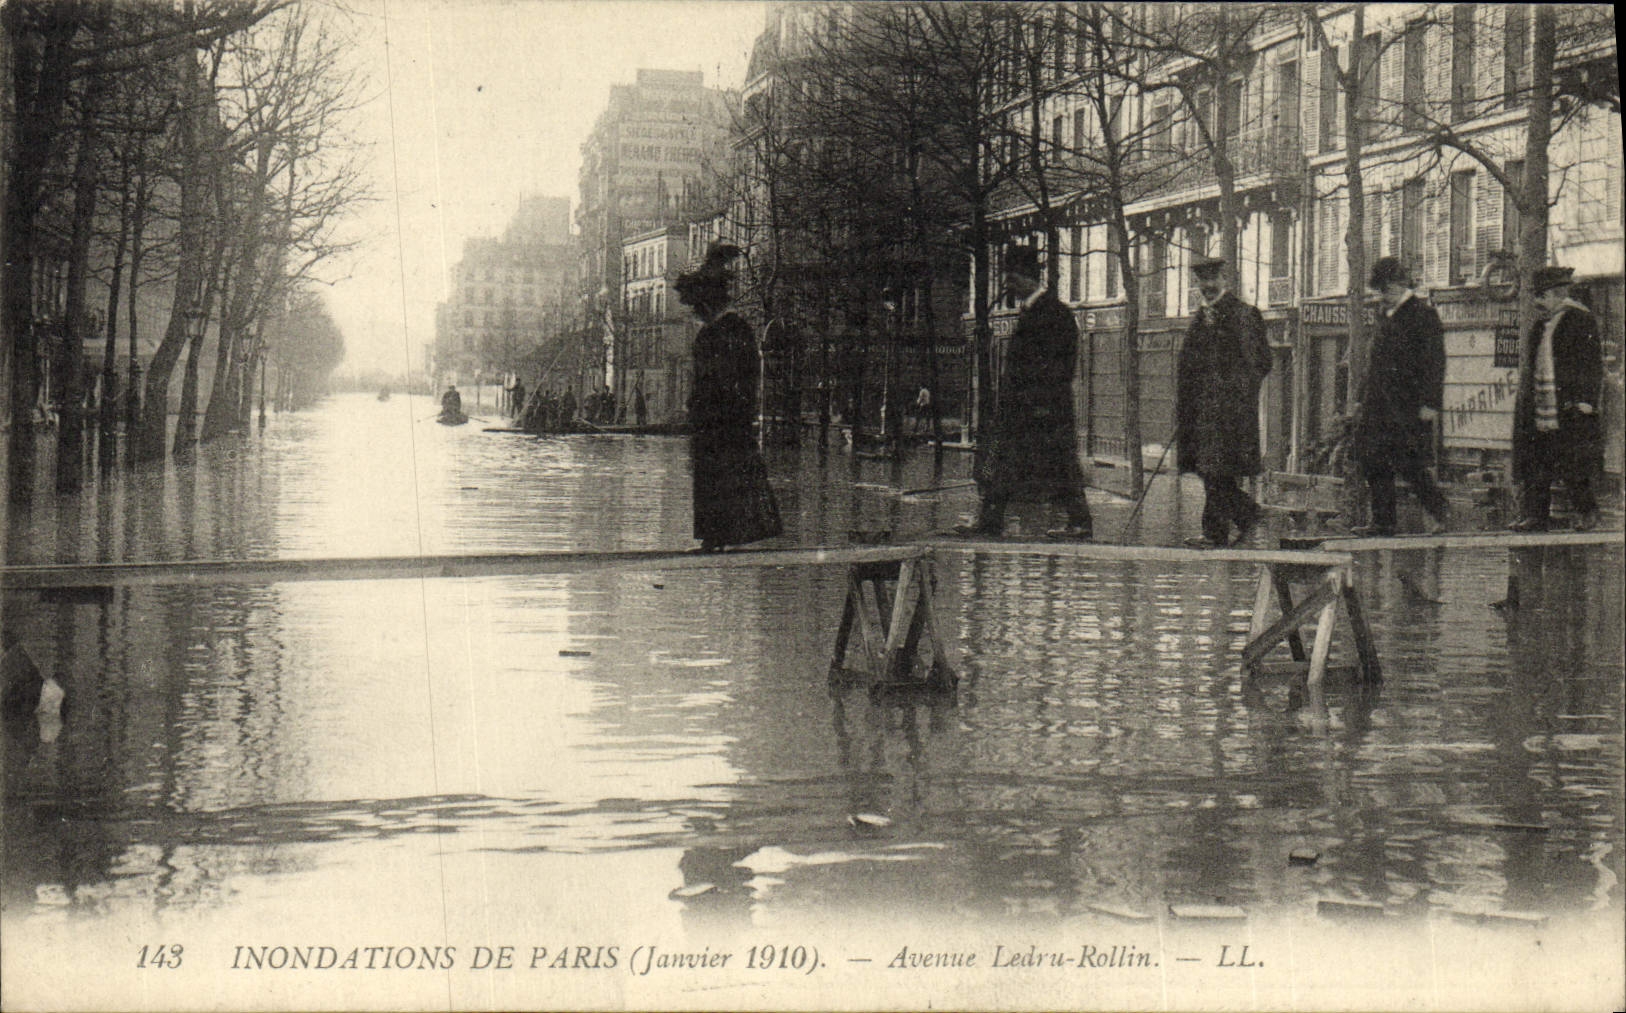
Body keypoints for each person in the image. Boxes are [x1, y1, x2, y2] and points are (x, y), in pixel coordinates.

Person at [969, 244, 1092, 539]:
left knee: (1061, 466)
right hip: (1023, 408)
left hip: (1044, 409)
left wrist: (1040, 403)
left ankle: (1080, 524)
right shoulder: (1034, 311)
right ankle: (990, 521)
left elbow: (1061, 364)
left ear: (1025, 278)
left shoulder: (1054, 313)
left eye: (1010, 279)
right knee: (1005, 462)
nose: (1007, 287)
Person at [677, 241, 783, 552]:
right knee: (718, 475)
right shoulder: (729, 329)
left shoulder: (725, 331)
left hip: (723, 419)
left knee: (720, 475)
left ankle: (718, 537)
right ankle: (716, 536)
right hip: (721, 418)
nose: (695, 314)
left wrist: (706, 408)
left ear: (706, 305)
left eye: (697, 308)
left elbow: (727, 379)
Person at [1174, 255, 1271, 547]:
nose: (1208, 286)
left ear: (1226, 280)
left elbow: (1262, 363)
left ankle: (1224, 528)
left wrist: (1229, 391)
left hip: (1231, 415)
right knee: (1213, 474)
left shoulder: (1244, 314)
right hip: (1203, 413)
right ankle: (1244, 519)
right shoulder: (1201, 318)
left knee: (1216, 472)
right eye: (1202, 281)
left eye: (1213, 279)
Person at [1350, 256, 1450, 536]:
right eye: (1379, 292)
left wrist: (1431, 402)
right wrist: (1360, 397)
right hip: (1377, 403)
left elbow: (1435, 361)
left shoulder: (1422, 314)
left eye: (1385, 291)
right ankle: (1383, 521)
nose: (1382, 297)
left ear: (1398, 285)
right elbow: (1373, 361)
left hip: (1407, 403)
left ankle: (1439, 509)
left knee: (1409, 463)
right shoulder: (1384, 314)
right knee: (1373, 460)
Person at [1510, 265, 1604, 532]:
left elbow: (1590, 364)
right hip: (1541, 407)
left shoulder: (1579, 320)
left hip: (1569, 406)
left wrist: (1586, 400)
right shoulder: (1541, 325)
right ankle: (1537, 516)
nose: (1539, 302)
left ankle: (1588, 512)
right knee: (1537, 462)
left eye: (1542, 296)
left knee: (1572, 464)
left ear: (1556, 294)